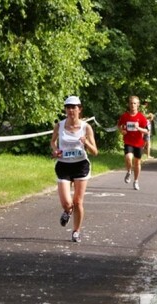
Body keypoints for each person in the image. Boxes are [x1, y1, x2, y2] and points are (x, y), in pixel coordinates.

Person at [50, 96, 98, 242]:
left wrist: (86, 143)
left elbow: (95, 151)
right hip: (64, 165)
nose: (71, 110)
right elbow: (53, 142)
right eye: (68, 107)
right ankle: (67, 210)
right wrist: (55, 151)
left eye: (74, 107)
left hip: (80, 165)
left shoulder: (86, 127)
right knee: (67, 203)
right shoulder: (60, 125)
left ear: (80, 109)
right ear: (65, 109)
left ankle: (76, 231)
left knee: (77, 202)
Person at [117, 95, 149, 190]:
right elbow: (119, 125)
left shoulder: (141, 117)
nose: (133, 105)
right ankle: (129, 171)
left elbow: (147, 131)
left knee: (137, 163)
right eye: (131, 103)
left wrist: (138, 128)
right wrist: (121, 131)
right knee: (128, 157)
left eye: (134, 103)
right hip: (128, 142)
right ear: (129, 104)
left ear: (138, 105)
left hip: (139, 143)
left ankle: (136, 181)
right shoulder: (125, 116)